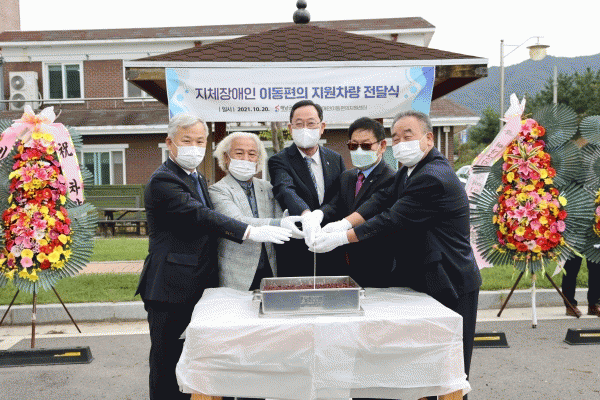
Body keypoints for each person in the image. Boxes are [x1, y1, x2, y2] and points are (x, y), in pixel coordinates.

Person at [311, 110, 482, 400]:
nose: (401, 143)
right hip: (423, 274)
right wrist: (342, 223)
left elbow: (392, 218)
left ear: (429, 139)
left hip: (450, 279)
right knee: (421, 364)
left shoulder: (433, 176)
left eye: (408, 135)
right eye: (397, 137)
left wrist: (341, 238)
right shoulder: (408, 170)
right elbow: (380, 200)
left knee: (449, 368)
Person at [135, 114, 292, 400]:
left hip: (197, 282)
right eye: (186, 141)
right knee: (168, 362)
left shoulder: (195, 177)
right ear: (169, 143)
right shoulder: (164, 180)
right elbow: (201, 215)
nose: (194, 147)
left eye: (199, 141)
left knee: (192, 361)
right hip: (171, 286)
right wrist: (250, 231)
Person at [209, 131, 304, 291]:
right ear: (226, 157)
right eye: (239, 153)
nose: (246, 158)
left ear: (258, 159)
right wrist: (280, 223)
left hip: (269, 269)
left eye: (252, 154)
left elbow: (281, 217)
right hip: (237, 273)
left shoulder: (267, 187)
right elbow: (236, 221)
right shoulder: (217, 190)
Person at [268, 99, 346, 276]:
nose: (305, 129)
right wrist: (306, 215)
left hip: (331, 244)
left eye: (311, 123)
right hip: (297, 249)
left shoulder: (335, 159)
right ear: (290, 128)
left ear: (322, 127)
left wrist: (321, 214)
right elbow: (285, 189)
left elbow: (339, 195)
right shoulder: (279, 160)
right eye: (299, 124)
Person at [322, 117, 395, 288]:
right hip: (346, 264)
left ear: (382, 146)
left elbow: (373, 209)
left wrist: (342, 227)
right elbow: (335, 205)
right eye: (354, 146)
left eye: (366, 145)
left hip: (378, 264)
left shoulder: (391, 178)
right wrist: (316, 216)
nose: (359, 150)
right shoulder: (347, 177)